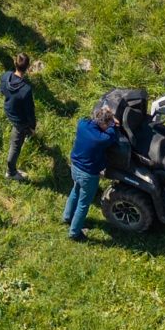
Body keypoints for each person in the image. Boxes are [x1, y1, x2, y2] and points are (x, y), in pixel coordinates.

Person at [65, 103, 123, 240]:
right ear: (103, 125)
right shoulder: (101, 139)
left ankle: (67, 217)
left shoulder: (82, 125)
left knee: (75, 191)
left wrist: (106, 112)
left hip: (75, 167)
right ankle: (74, 233)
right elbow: (112, 134)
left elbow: (87, 119)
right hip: (88, 175)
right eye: (107, 124)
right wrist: (113, 123)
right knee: (83, 204)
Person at [0, 54, 37, 180]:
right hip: (19, 121)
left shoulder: (6, 76)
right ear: (27, 67)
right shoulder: (25, 90)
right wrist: (32, 126)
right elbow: (29, 111)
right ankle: (11, 172)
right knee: (15, 146)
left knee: (20, 136)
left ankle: (27, 133)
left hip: (9, 110)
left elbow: (2, 90)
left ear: (15, 64)